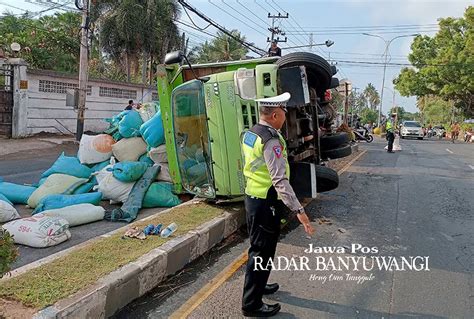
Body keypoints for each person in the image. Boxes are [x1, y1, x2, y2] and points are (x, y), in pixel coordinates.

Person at [241, 92, 314, 317]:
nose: (285, 116)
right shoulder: (270, 140)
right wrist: (299, 210)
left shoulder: (252, 132)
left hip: (254, 197)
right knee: (261, 252)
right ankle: (251, 304)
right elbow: (279, 180)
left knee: (259, 249)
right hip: (265, 201)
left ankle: (260, 286)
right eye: (283, 112)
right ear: (274, 114)